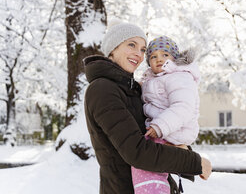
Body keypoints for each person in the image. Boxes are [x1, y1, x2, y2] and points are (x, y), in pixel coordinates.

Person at [83, 20, 212, 194]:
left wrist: (183, 149)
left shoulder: (134, 89)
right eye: (132, 45)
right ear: (113, 48)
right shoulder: (103, 90)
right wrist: (194, 162)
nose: (139, 54)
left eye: (143, 49)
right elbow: (138, 152)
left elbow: (154, 139)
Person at [131, 36, 201, 194]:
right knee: (145, 161)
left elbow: (183, 107)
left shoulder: (180, 77)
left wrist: (160, 126)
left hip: (174, 129)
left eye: (165, 55)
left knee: (146, 162)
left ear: (174, 58)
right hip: (162, 129)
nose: (159, 59)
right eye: (153, 56)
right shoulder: (154, 79)